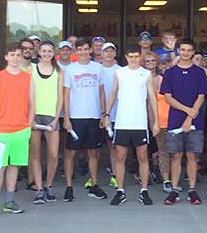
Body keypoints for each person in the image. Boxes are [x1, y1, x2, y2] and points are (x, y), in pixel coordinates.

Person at [105, 45, 161, 206]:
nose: (134, 59)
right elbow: (113, 93)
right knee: (120, 158)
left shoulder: (146, 74)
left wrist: (155, 121)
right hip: (122, 122)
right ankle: (120, 191)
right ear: (126, 57)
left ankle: (144, 191)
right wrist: (107, 115)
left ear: (140, 57)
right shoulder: (119, 72)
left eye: (136, 56)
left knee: (143, 157)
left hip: (140, 123)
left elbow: (152, 98)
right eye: (130, 56)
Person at [0, 43, 35, 217]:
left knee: (14, 166)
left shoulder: (28, 78)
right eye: (12, 54)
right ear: (6, 57)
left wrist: (28, 126)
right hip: (2, 130)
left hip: (21, 130)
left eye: (18, 55)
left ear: (22, 57)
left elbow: (32, 104)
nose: (15, 58)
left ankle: (9, 200)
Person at [160, 39, 207, 205]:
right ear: (179, 51)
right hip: (175, 121)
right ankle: (174, 190)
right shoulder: (170, 73)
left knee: (192, 156)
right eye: (183, 49)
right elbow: (167, 97)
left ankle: (192, 190)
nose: (186, 52)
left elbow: (201, 96)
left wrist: (189, 117)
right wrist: (187, 111)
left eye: (189, 50)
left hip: (195, 121)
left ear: (193, 52)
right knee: (176, 156)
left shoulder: (199, 72)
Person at [61, 39, 109, 202]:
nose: (83, 52)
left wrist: (104, 114)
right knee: (70, 153)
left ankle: (94, 185)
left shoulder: (98, 68)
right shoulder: (70, 69)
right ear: (76, 51)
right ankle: (69, 187)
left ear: (90, 50)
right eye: (79, 49)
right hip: (75, 116)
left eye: (86, 49)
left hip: (94, 116)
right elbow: (66, 94)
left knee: (93, 152)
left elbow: (102, 92)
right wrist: (66, 117)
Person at [27, 41, 64, 204]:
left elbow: (61, 97)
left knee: (53, 154)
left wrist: (56, 119)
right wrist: (30, 117)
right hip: (35, 115)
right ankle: (39, 188)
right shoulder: (31, 69)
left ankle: (49, 185)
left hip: (51, 117)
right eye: (44, 51)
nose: (47, 53)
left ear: (53, 52)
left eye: (50, 51)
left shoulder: (59, 70)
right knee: (35, 154)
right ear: (39, 52)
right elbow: (26, 95)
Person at [152, 54, 182, 193]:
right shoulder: (156, 80)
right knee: (163, 152)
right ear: (158, 66)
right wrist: (153, 122)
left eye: (168, 63)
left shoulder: (178, 79)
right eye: (162, 64)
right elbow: (151, 103)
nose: (165, 66)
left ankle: (175, 179)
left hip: (177, 121)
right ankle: (166, 180)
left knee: (176, 152)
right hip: (162, 121)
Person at [101, 42, 120, 189]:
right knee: (92, 150)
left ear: (115, 53)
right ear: (101, 54)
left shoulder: (120, 71)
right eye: (105, 51)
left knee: (114, 147)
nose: (108, 54)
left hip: (115, 115)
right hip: (96, 115)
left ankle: (115, 176)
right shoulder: (96, 70)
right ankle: (93, 179)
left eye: (111, 51)